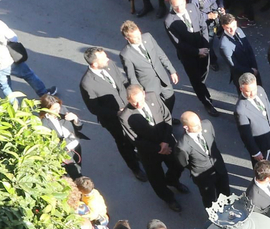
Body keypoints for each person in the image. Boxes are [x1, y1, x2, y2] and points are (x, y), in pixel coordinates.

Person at [120, 85, 188, 213]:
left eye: (140, 100)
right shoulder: (125, 116)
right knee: (156, 178)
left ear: (144, 94)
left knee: (178, 165)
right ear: (128, 100)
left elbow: (167, 118)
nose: (138, 104)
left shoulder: (153, 97)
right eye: (134, 102)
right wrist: (159, 148)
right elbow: (135, 140)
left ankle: (173, 181)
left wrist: (165, 142)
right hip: (149, 153)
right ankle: (169, 198)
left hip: (167, 142)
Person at [80, 47, 146, 178]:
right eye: (103, 58)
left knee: (138, 134)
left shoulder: (109, 65)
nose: (108, 59)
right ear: (94, 64)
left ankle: (139, 152)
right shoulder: (87, 83)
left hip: (130, 109)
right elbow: (94, 108)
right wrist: (116, 113)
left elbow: (122, 82)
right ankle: (134, 168)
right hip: (114, 120)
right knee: (124, 143)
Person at [164, 0, 220, 117]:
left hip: (203, 50)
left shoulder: (192, 8)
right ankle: (207, 102)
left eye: (181, 4)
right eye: (175, 6)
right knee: (196, 81)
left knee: (202, 76)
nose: (179, 8)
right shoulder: (169, 21)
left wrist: (205, 47)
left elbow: (203, 26)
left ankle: (202, 90)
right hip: (188, 56)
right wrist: (196, 52)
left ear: (185, 0)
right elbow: (179, 44)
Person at [174, 110, 230, 208]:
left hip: (219, 167)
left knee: (225, 191)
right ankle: (214, 217)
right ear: (186, 127)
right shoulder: (182, 146)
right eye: (195, 126)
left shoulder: (207, 125)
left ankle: (227, 209)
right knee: (209, 198)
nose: (200, 127)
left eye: (199, 122)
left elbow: (212, 139)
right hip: (203, 176)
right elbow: (184, 163)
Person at [235, 72, 270, 174]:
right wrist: (255, 152)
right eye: (248, 91)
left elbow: (268, 106)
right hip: (261, 143)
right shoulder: (240, 110)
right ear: (241, 89)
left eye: (254, 89)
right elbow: (245, 135)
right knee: (264, 168)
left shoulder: (260, 90)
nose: (252, 93)